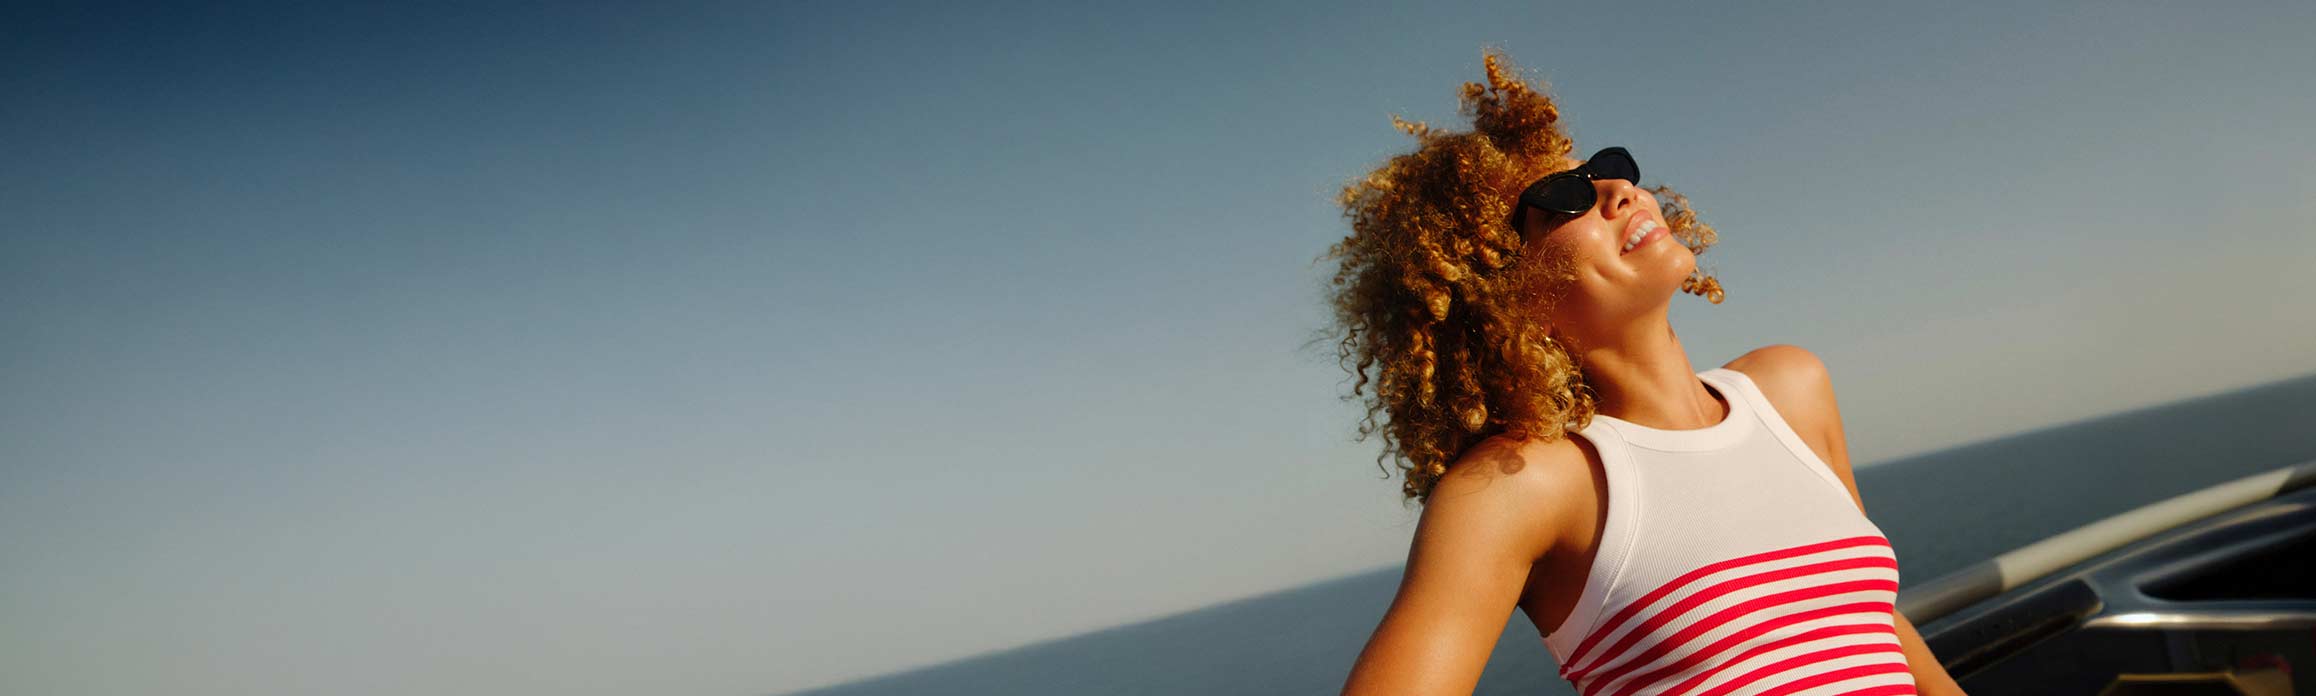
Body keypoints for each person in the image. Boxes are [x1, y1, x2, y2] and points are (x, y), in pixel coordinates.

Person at [1322, 50, 1967, 696]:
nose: (1618, 190)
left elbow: (1873, 623)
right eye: (1564, 199)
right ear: (1499, 294)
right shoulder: (1522, 486)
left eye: (1606, 170)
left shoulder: (1792, 388)